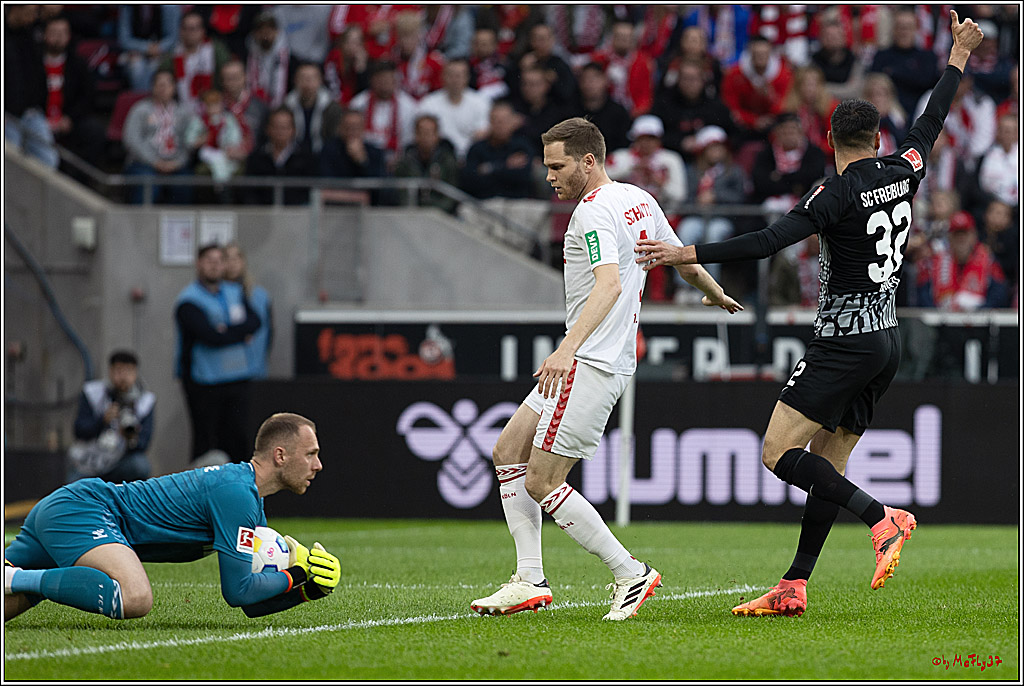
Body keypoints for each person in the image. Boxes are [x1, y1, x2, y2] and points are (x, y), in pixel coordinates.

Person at [635, 10, 985, 617]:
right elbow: (933, 118)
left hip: (843, 341)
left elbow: (768, 241)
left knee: (777, 453)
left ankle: (882, 517)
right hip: (885, 341)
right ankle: (794, 585)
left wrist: (682, 253)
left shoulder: (834, 192)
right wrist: (957, 54)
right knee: (826, 463)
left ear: (830, 140)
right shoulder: (905, 169)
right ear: (877, 138)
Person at [470, 117, 742, 621]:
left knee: (541, 481)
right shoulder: (638, 197)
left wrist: (565, 349)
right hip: (597, 357)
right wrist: (713, 291)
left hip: (590, 361)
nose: (550, 176)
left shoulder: (592, 214)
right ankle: (529, 579)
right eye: (547, 166)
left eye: (558, 166)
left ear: (588, 161)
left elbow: (609, 285)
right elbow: (677, 255)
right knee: (507, 449)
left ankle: (629, 572)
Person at [5, 413, 341, 622]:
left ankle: (18, 579)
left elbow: (251, 604)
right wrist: (297, 571)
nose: (318, 465)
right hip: (87, 509)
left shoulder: (246, 497)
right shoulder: (237, 494)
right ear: (280, 455)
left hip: (76, 509)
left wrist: (306, 590)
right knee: (135, 597)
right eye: (311, 454)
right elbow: (237, 591)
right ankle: (16, 578)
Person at [174, 244, 261, 465]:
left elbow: (255, 321)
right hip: (204, 382)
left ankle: (238, 493)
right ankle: (198, 496)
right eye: (208, 260)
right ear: (198, 264)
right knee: (206, 444)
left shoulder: (234, 292)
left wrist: (226, 330)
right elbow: (209, 336)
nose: (214, 265)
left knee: (238, 439)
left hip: (238, 377)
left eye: (219, 260)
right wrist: (239, 334)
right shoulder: (188, 300)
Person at [68, 350, 155, 484]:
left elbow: (144, 443)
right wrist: (102, 421)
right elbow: (79, 430)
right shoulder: (93, 393)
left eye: (129, 371)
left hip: (121, 463)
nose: (123, 378)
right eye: (119, 371)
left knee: (140, 466)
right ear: (110, 371)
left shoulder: (145, 401)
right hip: (90, 461)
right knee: (73, 489)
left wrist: (129, 437)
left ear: (136, 373)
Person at [39, 14, 106, 167]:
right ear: (45, 35)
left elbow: (87, 96)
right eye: (54, 33)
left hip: (68, 120)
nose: (58, 38)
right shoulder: (34, 62)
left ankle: (79, 181)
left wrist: (69, 118)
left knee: (94, 131)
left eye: (63, 33)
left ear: (69, 36)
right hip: (39, 120)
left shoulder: (78, 64)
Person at [122, 69, 193, 205]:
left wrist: (178, 162)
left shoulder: (184, 113)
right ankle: (140, 224)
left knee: (184, 183)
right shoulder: (140, 109)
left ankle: (179, 225)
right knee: (148, 184)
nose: (163, 89)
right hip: (143, 164)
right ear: (152, 87)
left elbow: (189, 142)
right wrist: (154, 162)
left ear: (174, 88)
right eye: (159, 85)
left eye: (167, 85)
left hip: (175, 164)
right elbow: (131, 140)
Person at [870, 9, 941, 118]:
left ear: (916, 29)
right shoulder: (881, 56)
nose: (904, 32)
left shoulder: (927, 57)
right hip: (889, 115)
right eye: (900, 27)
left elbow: (927, 81)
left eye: (908, 27)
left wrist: (893, 72)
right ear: (893, 29)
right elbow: (874, 83)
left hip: (921, 113)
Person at [415, 59, 491, 161]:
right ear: (443, 77)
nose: (455, 80)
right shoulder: (428, 103)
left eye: (459, 75)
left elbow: (483, 133)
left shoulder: (481, 102)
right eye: (451, 75)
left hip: (472, 157)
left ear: (467, 78)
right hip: (439, 158)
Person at [720, 35, 794, 140]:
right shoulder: (734, 75)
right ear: (750, 54)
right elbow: (730, 106)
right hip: (742, 127)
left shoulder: (784, 76)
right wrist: (753, 121)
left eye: (764, 54)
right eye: (757, 54)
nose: (761, 58)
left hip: (773, 125)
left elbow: (786, 105)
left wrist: (770, 98)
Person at [158, 11, 231, 113]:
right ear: (180, 31)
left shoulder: (215, 50)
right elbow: (161, 77)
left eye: (193, 29)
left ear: (202, 31)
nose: (189, 33)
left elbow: (227, 77)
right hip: (180, 110)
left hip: (214, 107)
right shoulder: (173, 54)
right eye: (185, 29)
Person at [461, 100, 534, 200]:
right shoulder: (477, 149)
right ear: (489, 122)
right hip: (484, 202)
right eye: (496, 121)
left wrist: (486, 169)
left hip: (516, 202)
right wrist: (505, 166)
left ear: (513, 122)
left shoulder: (522, 147)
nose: (500, 125)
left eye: (505, 121)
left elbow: (523, 178)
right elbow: (470, 182)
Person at [244, 107, 317, 206]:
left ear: (293, 130)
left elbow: (309, 191)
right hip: (263, 215)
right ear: (268, 129)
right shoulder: (256, 158)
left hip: (296, 215)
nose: (280, 132)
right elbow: (249, 192)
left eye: (285, 127)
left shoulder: (306, 158)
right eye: (276, 127)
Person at [223, 243, 273, 380]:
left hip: (255, 366)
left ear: (243, 261)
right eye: (228, 258)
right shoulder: (215, 295)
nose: (232, 263)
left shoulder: (259, 295)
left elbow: (268, 331)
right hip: (225, 367)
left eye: (236, 258)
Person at [394, 113, 459, 213]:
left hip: (440, 215)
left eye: (429, 133)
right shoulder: (406, 160)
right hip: (410, 213)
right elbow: (399, 192)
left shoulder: (447, 160)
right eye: (421, 132)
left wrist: (434, 210)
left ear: (437, 135)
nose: (425, 137)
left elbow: (452, 194)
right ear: (415, 135)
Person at [283, 62, 343, 157]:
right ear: (295, 80)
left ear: (320, 81)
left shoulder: (332, 109)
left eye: (312, 78)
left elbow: (334, 139)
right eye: (302, 78)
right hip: (292, 157)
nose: (307, 82)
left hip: (323, 156)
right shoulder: (286, 107)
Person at [116, 5, 181, 92]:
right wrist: (146, 48)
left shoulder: (170, 7)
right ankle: (142, 101)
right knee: (137, 66)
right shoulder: (128, 8)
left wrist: (160, 47)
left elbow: (174, 37)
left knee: (154, 66)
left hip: (163, 52)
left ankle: (153, 101)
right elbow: (124, 39)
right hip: (136, 52)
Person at [575, 63, 631, 155]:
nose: (589, 84)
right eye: (584, 79)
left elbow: (623, 147)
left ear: (605, 80)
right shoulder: (569, 112)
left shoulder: (618, 113)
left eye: (594, 79)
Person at [245, 11, 292, 109]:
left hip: (284, 107)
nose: (265, 33)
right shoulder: (247, 56)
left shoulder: (291, 59)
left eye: (270, 29)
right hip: (256, 106)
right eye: (261, 30)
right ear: (254, 34)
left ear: (277, 31)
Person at [977, 112, 1018, 208]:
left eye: (1010, 131)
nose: (1006, 134)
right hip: (993, 204)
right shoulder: (986, 155)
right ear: (998, 132)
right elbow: (981, 187)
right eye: (1003, 130)